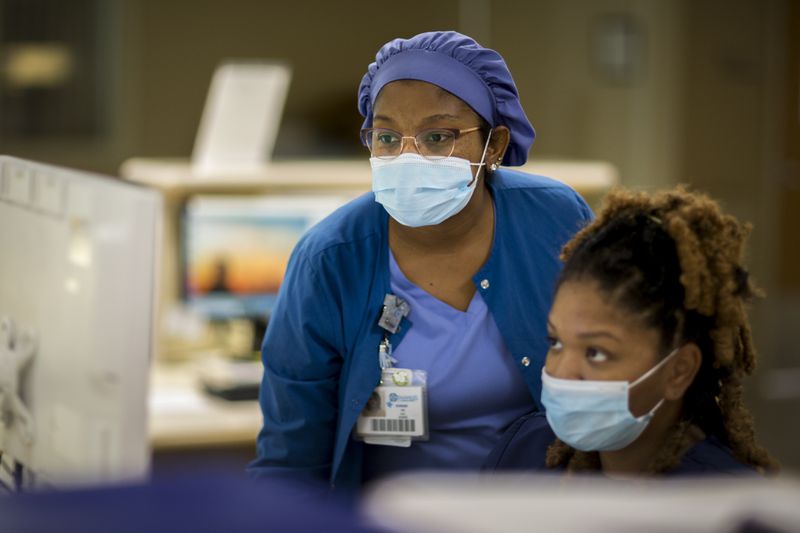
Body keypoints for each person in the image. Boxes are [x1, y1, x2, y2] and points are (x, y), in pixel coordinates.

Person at [248, 31, 593, 492]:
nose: (408, 157)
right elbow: (292, 457)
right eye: (387, 137)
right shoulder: (329, 259)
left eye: (437, 137)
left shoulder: (554, 219)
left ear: (493, 146)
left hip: (542, 511)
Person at [485, 187, 779, 477]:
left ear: (679, 370)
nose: (562, 372)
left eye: (596, 353)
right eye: (556, 342)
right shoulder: (523, 453)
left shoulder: (720, 504)